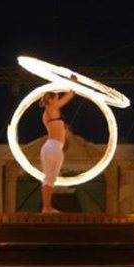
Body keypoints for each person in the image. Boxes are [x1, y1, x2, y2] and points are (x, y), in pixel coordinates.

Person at [39, 76, 77, 213]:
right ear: (50, 100)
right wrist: (73, 82)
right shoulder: (52, 108)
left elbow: (58, 130)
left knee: (49, 179)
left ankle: (46, 207)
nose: (58, 98)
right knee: (49, 179)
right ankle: (46, 207)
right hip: (53, 148)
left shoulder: (48, 113)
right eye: (56, 97)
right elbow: (69, 95)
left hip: (51, 147)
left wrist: (64, 131)